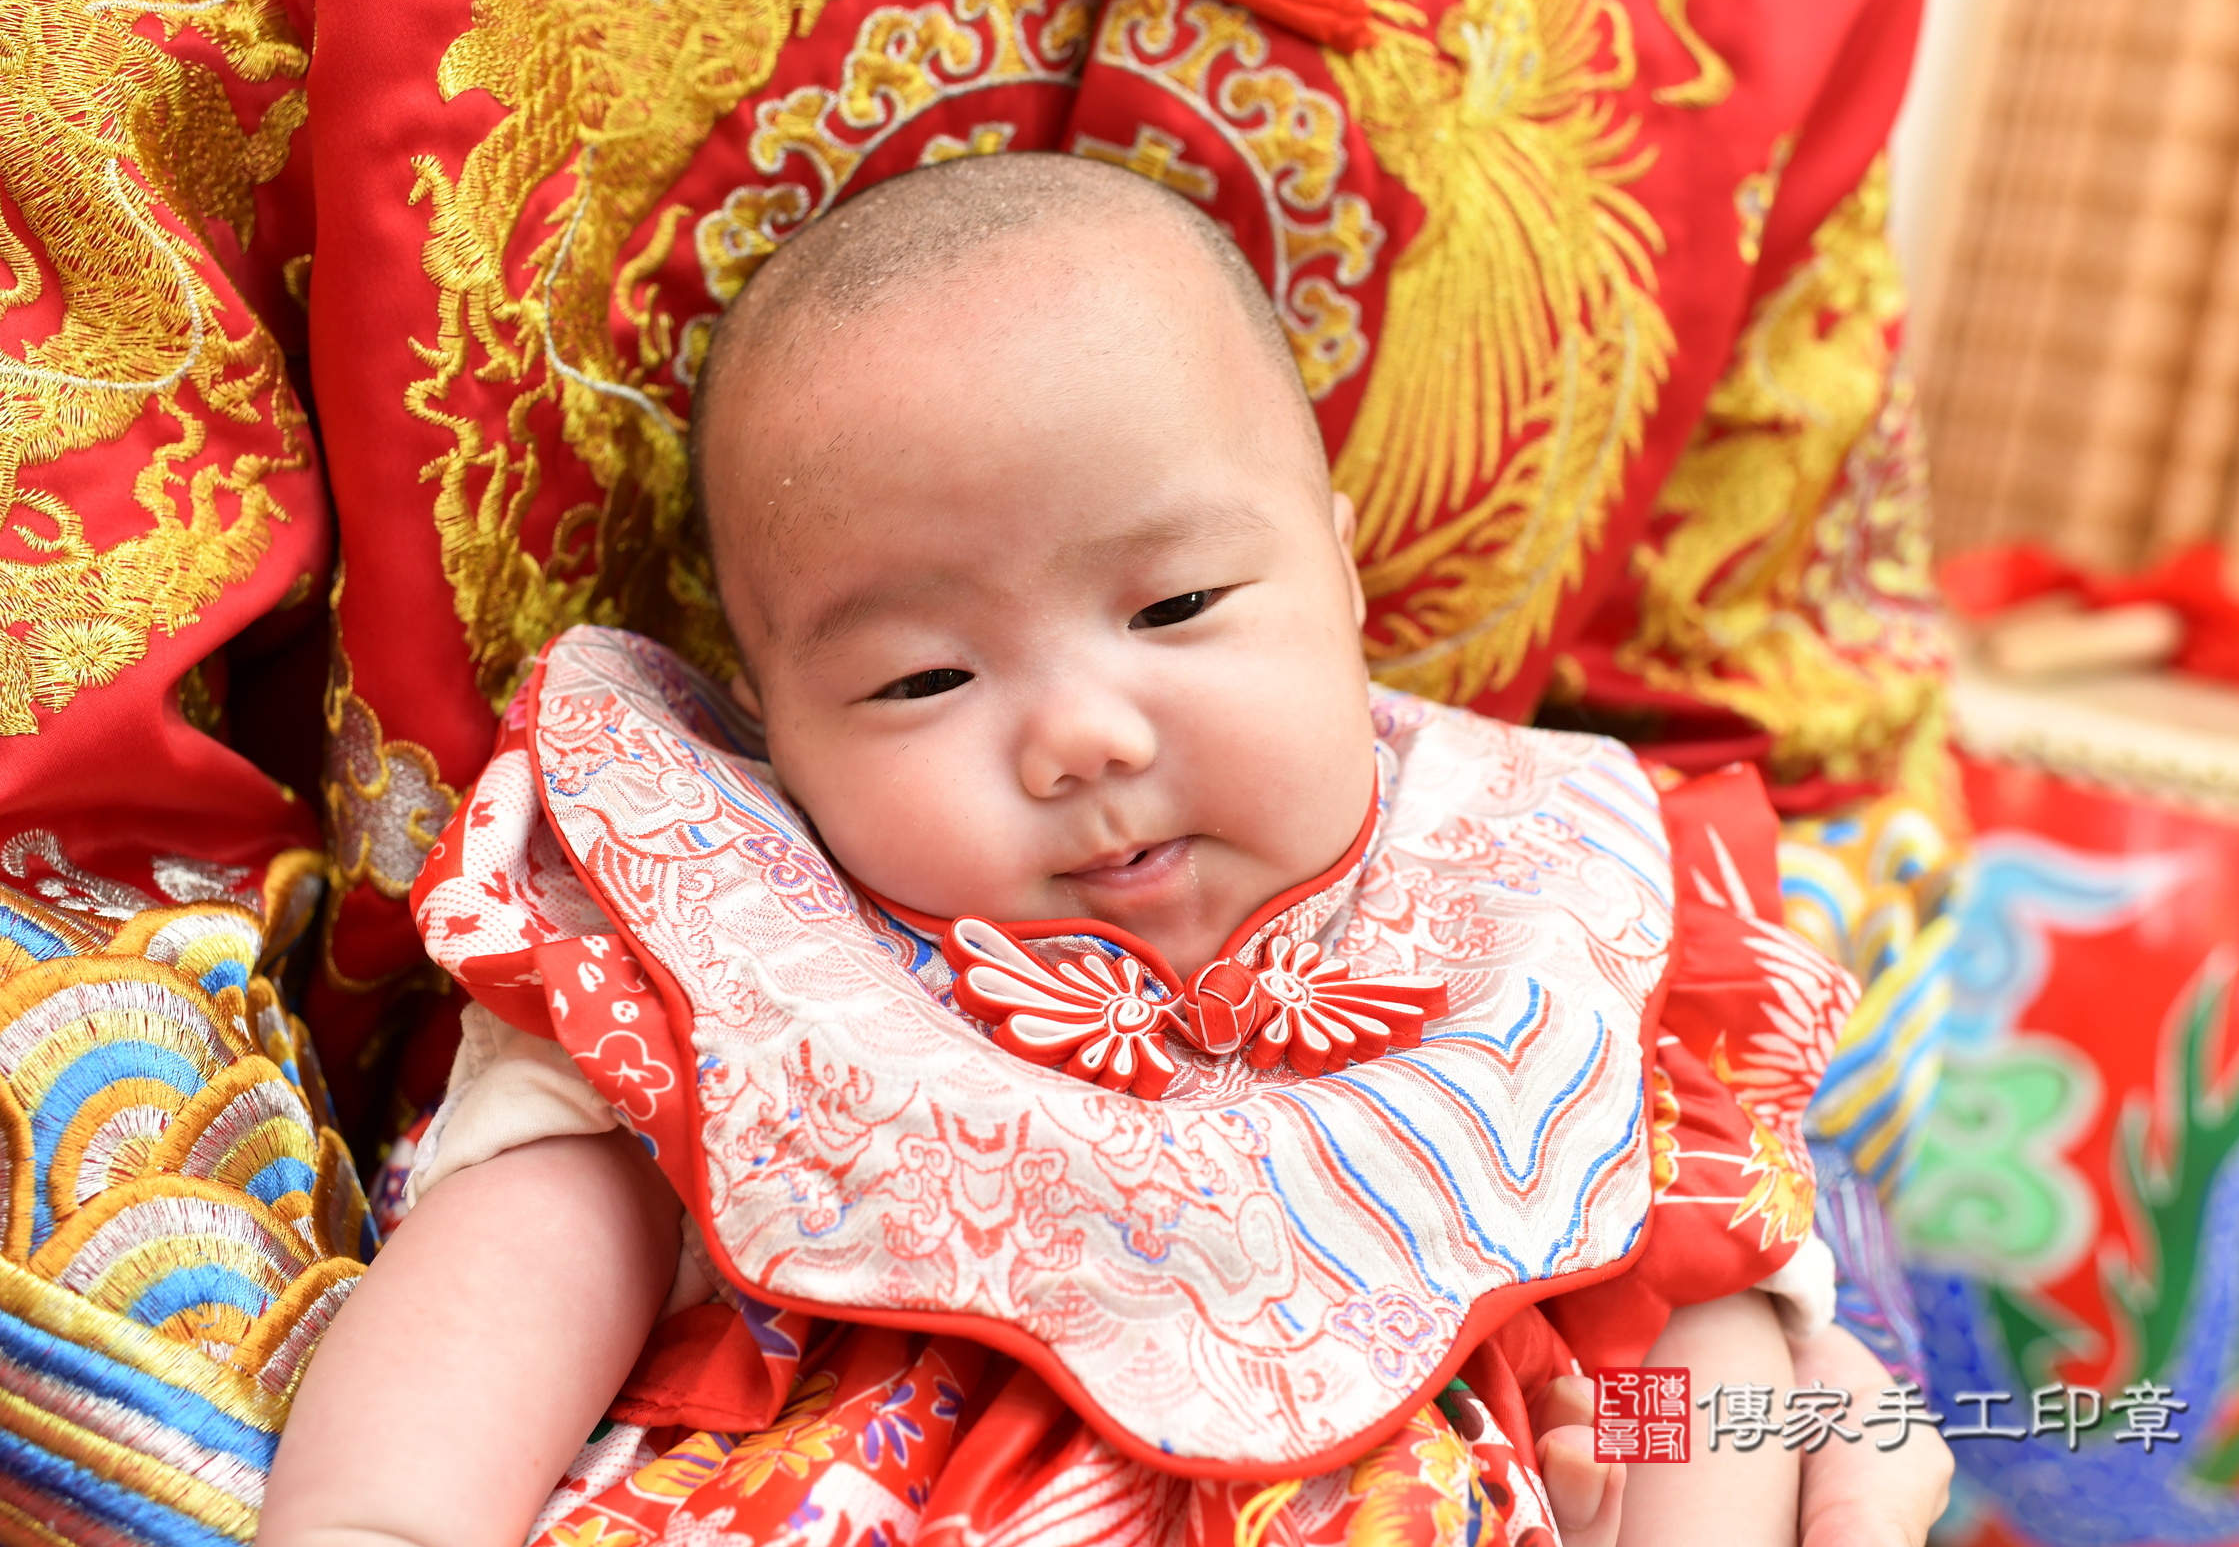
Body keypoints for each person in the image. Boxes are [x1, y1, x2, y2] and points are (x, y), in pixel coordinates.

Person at [260, 155, 1946, 1547]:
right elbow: (519, 1265)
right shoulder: (736, 947)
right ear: (774, 718)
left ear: (1345, 578)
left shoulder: (1544, 890)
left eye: (1179, 605)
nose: (1085, 736)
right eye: (921, 677)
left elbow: (1712, 1326)